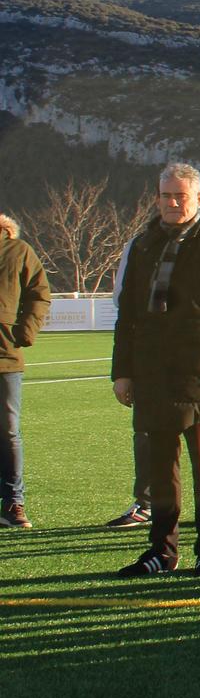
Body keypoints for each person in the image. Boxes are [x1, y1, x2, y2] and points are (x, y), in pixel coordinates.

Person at [109, 163, 200, 576]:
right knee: (160, 473)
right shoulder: (144, 244)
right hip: (154, 374)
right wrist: (123, 371)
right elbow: (128, 316)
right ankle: (162, 552)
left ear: (198, 199)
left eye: (180, 196)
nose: (172, 203)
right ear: (156, 198)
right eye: (165, 195)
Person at [0, 212, 52, 529]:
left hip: (5, 353)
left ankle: (13, 503)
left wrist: (24, 332)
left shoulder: (18, 251)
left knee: (7, 430)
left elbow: (39, 292)